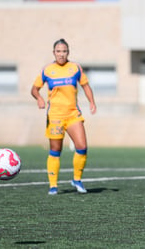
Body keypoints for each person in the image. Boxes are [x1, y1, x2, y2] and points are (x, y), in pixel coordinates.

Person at [31, 38, 97, 195]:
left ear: (68, 52)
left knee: (82, 147)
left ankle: (77, 179)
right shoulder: (47, 70)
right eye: (58, 51)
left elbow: (86, 86)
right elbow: (34, 89)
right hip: (55, 116)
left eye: (64, 51)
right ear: (54, 53)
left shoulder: (75, 68)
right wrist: (39, 98)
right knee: (55, 150)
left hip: (73, 114)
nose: (61, 54)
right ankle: (53, 185)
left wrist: (92, 102)